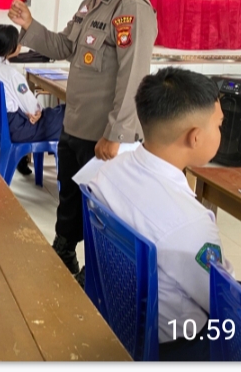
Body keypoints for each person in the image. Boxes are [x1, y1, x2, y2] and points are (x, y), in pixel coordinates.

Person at [8, 0, 158, 280]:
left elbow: (133, 76)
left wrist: (116, 134)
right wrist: (30, 25)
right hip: (75, 125)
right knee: (70, 200)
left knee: (102, 214)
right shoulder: (91, 4)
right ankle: (63, 257)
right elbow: (64, 46)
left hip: (104, 137)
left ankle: (100, 279)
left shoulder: (131, 8)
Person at [83, 68, 235, 361]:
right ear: (195, 137)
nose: (221, 131)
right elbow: (221, 302)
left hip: (120, 314)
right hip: (176, 343)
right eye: (219, 125)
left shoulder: (112, 169)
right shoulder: (191, 223)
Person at [0, 24, 64, 147]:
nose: (20, 44)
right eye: (18, 41)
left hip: (0, 124)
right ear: (10, 49)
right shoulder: (12, 75)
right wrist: (37, 112)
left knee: (58, 113)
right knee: (66, 115)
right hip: (17, 129)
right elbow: (32, 107)